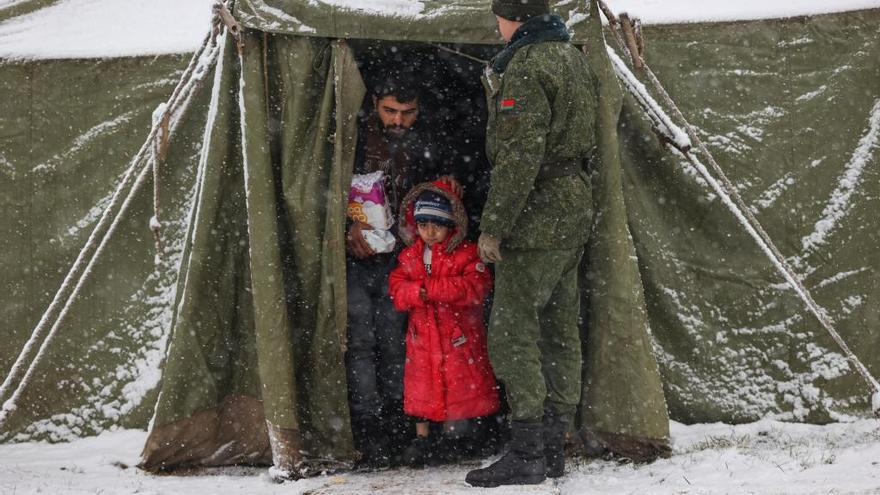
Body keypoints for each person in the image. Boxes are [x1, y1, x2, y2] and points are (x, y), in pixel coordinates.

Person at [466, 0, 599, 487]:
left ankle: (527, 452)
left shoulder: (526, 66)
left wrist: (494, 226)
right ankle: (553, 445)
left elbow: (521, 154)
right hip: (573, 209)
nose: (496, 26)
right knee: (559, 324)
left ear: (514, 18)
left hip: (537, 214)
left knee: (513, 330)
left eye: (499, 17)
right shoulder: (573, 57)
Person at [345, 75, 461, 470]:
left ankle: (399, 426)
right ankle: (367, 427)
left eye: (408, 113)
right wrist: (348, 225)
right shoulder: (353, 139)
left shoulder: (433, 142)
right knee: (359, 342)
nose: (398, 121)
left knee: (399, 344)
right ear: (375, 103)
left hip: (404, 261)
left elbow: (445, 198)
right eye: (390, 111)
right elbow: (326, 189)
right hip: (357, 257)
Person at [387, 181, 498, 467]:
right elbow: (397, 288)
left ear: (453, 224)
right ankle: (423, 439)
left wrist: (430, 289)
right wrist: (417, 293)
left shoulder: (466, 254)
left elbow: (475, 285)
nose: (430, 231)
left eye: (437, 224)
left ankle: (458, 436)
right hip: (421, 338)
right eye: (423, 224)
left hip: (457, 336)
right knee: (423, 386)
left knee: (461, 385)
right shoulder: (410, 255)